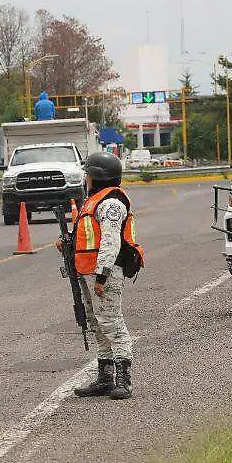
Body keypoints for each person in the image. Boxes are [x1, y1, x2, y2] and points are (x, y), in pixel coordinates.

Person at [65, 151, 136, 400]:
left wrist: (102, 276)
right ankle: (105, 378)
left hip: (104, 273)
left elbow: (110, 241)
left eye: (88, 174)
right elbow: (90, 236)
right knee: (96, 323)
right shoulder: (94, 202)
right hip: (88, 271)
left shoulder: (111, 204)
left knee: (112, 323)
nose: (86, 179)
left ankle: (123, 380)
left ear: (97, 176)